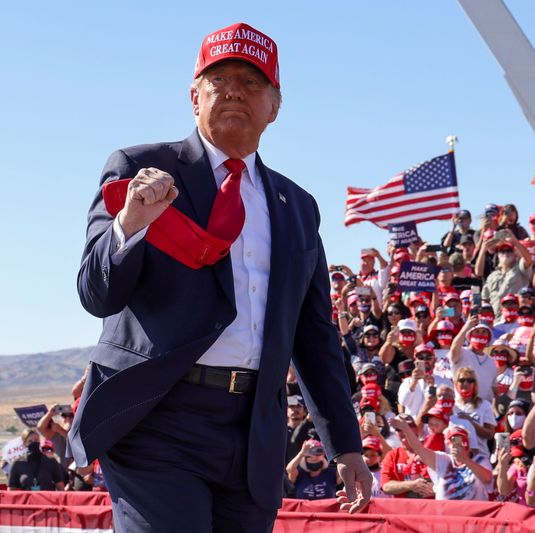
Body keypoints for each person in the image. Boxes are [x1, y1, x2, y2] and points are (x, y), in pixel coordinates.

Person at [69, 22, 369, 532]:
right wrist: (131, 223)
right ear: (194, 97)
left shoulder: (297, 207)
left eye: (251, 83)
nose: (233, 91)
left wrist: (345, 444)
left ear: (274, 107)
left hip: (254, 433)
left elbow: (315, 334)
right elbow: (96, 293)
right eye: (218, 80)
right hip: (156, 421)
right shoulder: (138, 168)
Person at [390, 420, 493, 501]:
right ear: (447, 444)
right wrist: (406, 429)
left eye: (460, 440)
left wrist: (465, 460)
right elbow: (419, 449)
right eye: (453, 440)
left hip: (473, 517)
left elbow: (487, 478)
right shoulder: (443, 460)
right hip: (446, 516)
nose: (456, 444)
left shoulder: (480, 460)